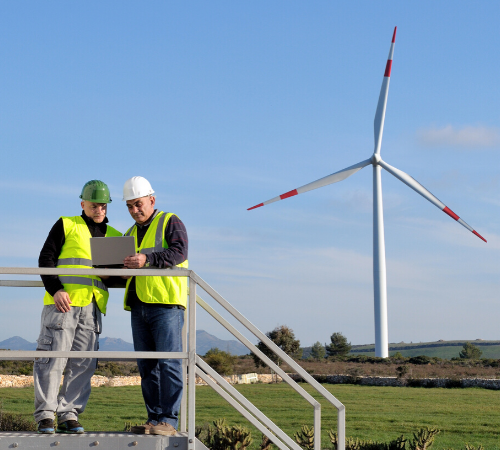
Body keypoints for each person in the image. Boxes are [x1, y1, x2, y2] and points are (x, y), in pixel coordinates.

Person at [35, 180, 122, 434]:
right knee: (53, 359)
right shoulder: (66, 224)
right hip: (63, 303)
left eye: (103, 206)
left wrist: (110, 275)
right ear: (83, 203)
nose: (99, 210)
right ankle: (45, 415)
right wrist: (55, 289)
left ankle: (68, 413)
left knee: (84, 363)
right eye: (94, 205)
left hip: (92, 308)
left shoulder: (115, 235)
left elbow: (120, 276)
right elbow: (46, 258)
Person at [121, 176, 188, 436]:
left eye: (138, 204)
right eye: (129, 206)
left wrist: (146, 259)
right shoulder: (128, 233)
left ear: (152, 199)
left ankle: (169, 421)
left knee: (169, 362)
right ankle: (154, 419)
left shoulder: (170, 220)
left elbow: (179, 252)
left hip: (166, 304)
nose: (134, 210)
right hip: (139, 305)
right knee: (147, 366)